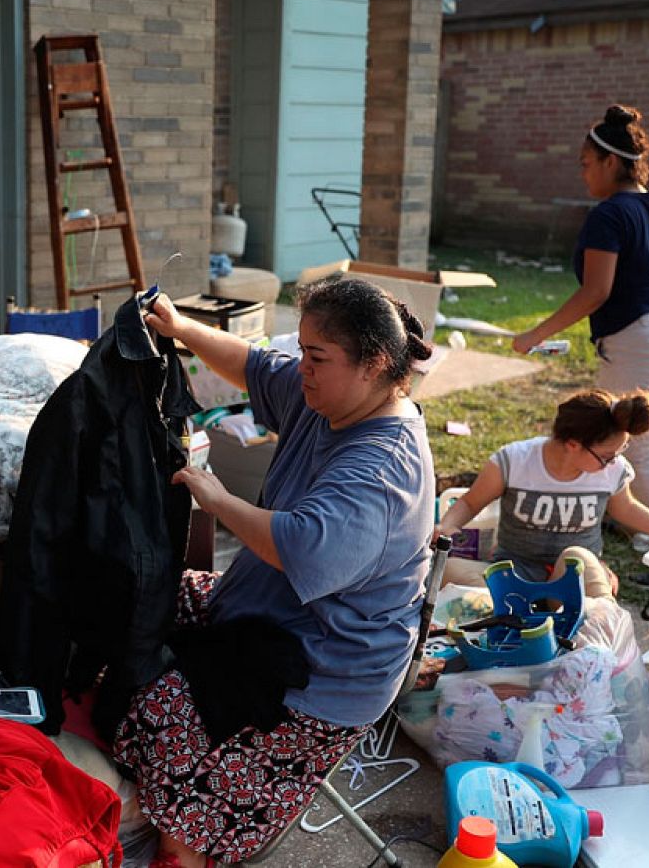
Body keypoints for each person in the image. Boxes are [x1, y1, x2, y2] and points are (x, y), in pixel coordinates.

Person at [113, 276, 437, 867]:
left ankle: (184, 845)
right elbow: (256, 366)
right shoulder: (328, 400)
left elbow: (297, 547)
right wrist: (180, 329)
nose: (303, 369)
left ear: (376, 364)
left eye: (317, 358)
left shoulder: (381, 469)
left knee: (160, 710)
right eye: (303, 355)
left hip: (325, 670)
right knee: (134, 598)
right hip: (272, 608)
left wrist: (218, 501)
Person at [513, 104, 649, 529]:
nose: (584, 174)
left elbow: (596, 291)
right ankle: (627, 518)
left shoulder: (609, 215)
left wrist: (533, 335)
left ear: (611, 162)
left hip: (643, 342)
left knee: (640, 452)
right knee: (625, 439)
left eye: (587, 164)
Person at [437, 388, 649, 593]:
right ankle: (520, 616)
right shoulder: (515, 461)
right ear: (573, 444)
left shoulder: (612, 469)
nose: (613, 462)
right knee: (447, 572)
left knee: (576, 558)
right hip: (513, 571)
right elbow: (470, 503)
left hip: (575, 574)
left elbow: (626, 508)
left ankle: (578, 620)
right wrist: (448, 524)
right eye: (607, 456)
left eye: (619, 453)